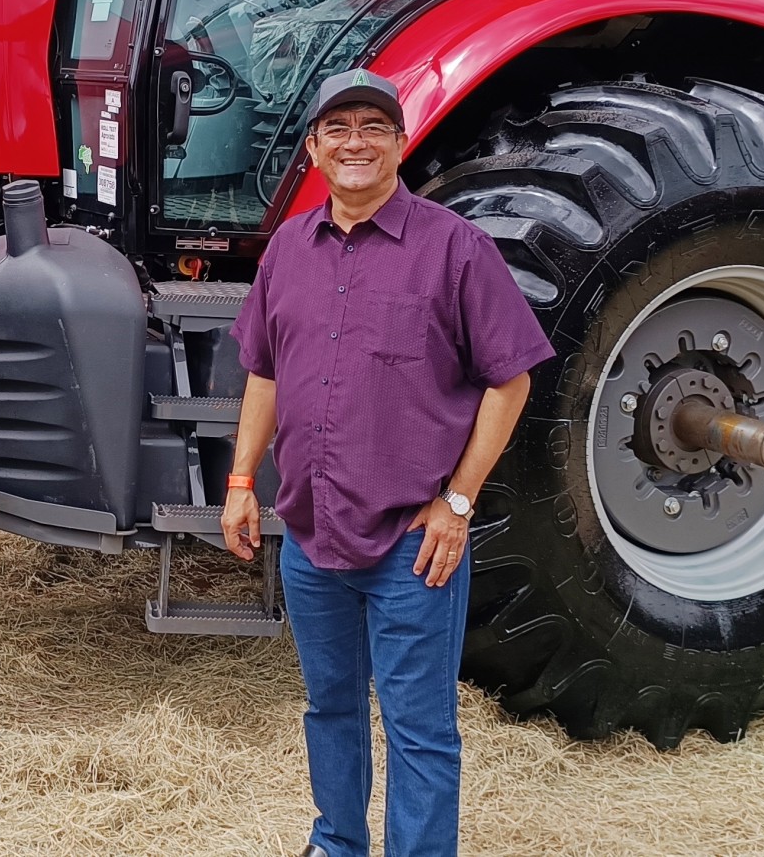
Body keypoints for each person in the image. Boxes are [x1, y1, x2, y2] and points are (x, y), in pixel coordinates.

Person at [222, 67, 554, 857]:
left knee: (419, 730)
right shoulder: (288, 253)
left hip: (414, 543)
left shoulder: (455, 249)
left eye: (374, 126)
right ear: (312, 147)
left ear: (401, 143)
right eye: (337, 128)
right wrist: (241, 481)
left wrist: (460, 501)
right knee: (329, 707)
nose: (355, 142)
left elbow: (512, 380)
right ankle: (337, 842)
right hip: (310, 534)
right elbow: (264, 371)